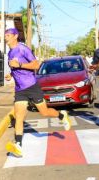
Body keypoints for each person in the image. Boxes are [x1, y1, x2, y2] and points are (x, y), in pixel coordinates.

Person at [4, 28, 71, 157]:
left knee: (44, 112)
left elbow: (36, 65)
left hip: (32, 86)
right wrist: (10, 75)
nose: (6, 37)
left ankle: (62, 116)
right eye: (5, 35)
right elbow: (15, 68)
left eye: (8, 35)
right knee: (19, 117)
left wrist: (20, 65)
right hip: (20, 89)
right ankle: (18, 146)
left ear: (15, 36)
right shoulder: (10, 53)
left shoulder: (23, 49)